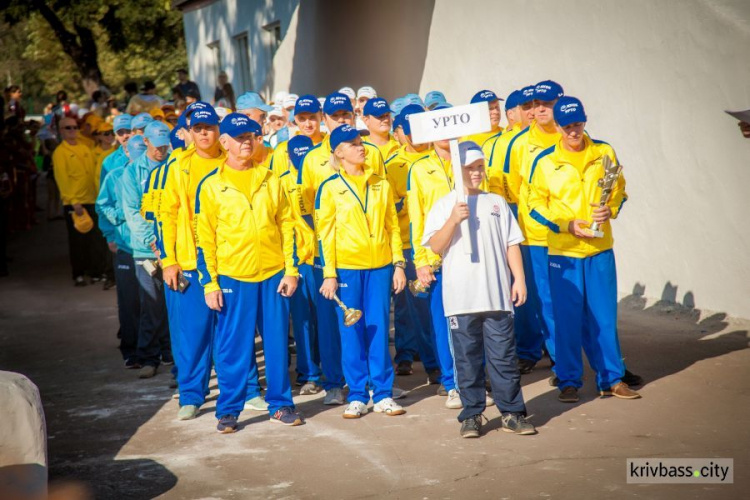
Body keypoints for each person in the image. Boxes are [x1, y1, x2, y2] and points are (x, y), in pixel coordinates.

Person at [527, 96, 641, 403]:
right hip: (563, 253)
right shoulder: (546, 161)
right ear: (558, 127)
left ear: (584, 121)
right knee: (566, 320)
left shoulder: (604, 152)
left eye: (577, 124)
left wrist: (611, 210)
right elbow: (534, 206)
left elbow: (619, 191)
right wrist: (566, 225)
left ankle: (612, 380)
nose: (573, 132)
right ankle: (568, 381)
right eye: (567, 127)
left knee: (604, 317)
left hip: (599, 250)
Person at [195, 112, 303, 433]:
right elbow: (205, 238)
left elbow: (287, 225)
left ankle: (281, 405)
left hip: (272, 275)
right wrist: (210, 283)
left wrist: (291, 270)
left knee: (276, 345)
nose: (247, 142)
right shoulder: (213, 185)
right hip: (232, 277)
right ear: (224, 142)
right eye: (239, 138)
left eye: (251, 137)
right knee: (233, 348)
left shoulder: (271, 178)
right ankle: (228, 410)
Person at [424, 141, 536, 438]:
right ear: (457, 170)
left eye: (479, 167)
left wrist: (519, 279)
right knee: (467, 361)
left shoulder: (496, 202)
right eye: (469, 168)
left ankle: (512, 412)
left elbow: (512, 243)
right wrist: (453, 220)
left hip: (496, 296)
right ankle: (472, 415)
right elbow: (435, 246)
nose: (476, 173)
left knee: (503, 358)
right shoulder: (443, 205)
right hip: (460, 300)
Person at [296, 92, 386, 406]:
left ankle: (376, 386)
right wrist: (323, 245)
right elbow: (306, 207)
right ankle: (335, 383)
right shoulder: (311, 158)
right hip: (327, 253)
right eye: (335, 115)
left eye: (346, 113)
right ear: (326, 118)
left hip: (369, 256)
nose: (342, 119)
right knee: (334, 323)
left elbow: (379, 204)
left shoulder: (370, 152)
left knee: (369, 321)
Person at [316, 124, 407, 419]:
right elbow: (325, 234)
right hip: (347, 270)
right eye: (353, 143)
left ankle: (382, 394)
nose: (360, 147)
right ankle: (356, 394)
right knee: (351, 331)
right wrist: (329, 273)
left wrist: (398, 264)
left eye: (361, 142)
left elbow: (392, 226)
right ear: (339, 152)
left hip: (380, 268)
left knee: (378, 330)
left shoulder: (380, 183)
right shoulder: (329, 187)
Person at [160, 103, 228, 419]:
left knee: (232, 333)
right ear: (189, 131)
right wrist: (169, 260)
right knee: (192, 334)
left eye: (210, 127)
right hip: (189, 262)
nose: (204, 133)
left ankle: (245, 391)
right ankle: (191, 394)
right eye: (198, 128)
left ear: (218, 129)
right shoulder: (177, 166)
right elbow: (167, 215)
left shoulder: (234, 161)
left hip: (229, 261)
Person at [504, 80, 564, 375]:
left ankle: (576, 360)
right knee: (543, 300)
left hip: (573, 234)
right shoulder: (518, 143)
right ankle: (558, 361)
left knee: (575, 300)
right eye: (532, 105)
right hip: (536, 235)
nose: (538, 110)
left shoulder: (574, 135)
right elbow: (512, 187)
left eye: (546, 104)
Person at [406, 116, 461, 407]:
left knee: (472, 322)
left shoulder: (470, 161)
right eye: (442, 129)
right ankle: (451, 383)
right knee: (443, 323)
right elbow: (417, 219)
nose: (447, 136)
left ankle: (474, 380)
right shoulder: (419, 168)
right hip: (438, 257)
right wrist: (422, 261)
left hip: (469, 257)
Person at [384, 104, 439, 378]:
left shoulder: (441, 157)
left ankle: (441, 362)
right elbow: (389, 209)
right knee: (412, 305)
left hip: (441, 243)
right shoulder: (393, 164)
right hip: (408, 244)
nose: (418, 135)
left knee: (435, 308)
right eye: (411, 129)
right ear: (402, 132)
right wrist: (406, 202)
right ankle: (423, 361)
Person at [120, 121, 172, 379]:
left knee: (176, 304)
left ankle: (173, 355)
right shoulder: (132, 172)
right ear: (146, 142)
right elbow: (131, 211)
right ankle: (148, 357)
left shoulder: (175, 165)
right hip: (146, 250)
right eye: (157, 145)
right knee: (151, 305)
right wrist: (154, 241)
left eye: (166, 145)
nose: (161, 151)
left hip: (175, 248)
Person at [96, 135, 147, 369]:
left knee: (152, 302)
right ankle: (131, 351)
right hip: (126, 247)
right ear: (125, 153)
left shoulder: (152, 175)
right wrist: (113, 230)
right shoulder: (115, 176)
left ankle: (155, 350)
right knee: (129, 302)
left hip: (148, 248)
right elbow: (102, 205)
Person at [279, 135, 323, 394]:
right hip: (297, 261)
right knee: (302, 320)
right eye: (298, 156)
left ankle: (328, 367)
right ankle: (308, 372)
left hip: (321, 258)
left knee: (324, 318)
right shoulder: (281, 181)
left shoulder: (320, 175)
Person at [52, 117, 108, 286]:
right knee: (78, 241)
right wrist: (73, 201)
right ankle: (78, 274)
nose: (72, 131)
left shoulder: (85, 148)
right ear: (61, 131)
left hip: (92, 199)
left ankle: (95, 272)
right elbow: (61, 179)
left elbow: (93, 173)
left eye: (75, 127)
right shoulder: (60, 152)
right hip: (75, 203)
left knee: (95, 239)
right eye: (68, 128)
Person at [269, 95, 325, 178]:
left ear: (321, 117)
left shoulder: (331, 145)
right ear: (295, 119)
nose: (308, 124)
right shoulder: (283, 150)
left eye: (312, 117)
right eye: (302, 119)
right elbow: (277, 185)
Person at [99, 114, 133, 186]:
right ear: (116, 136)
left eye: (128, 131)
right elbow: (106, 193)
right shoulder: (109, 161)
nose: (125, 135)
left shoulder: (148, 155)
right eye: (120, 132)